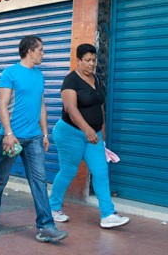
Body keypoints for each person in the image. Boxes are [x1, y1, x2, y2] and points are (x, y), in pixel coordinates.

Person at [0, 35, 68, 243]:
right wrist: (9, 134)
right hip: (12, 137)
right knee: (1, 179)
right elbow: (2, 105)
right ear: (29, 51)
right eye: (41, 50)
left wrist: (45, 133)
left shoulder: (39, 76)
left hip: (34, 137)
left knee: (38, 181)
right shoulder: (10, 73)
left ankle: (46, 226)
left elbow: (41, 106)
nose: (43, 54)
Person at [49, 43, 130, 228]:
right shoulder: (71, 81)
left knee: (101, 172)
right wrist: (87, 129)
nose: (92, 63)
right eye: (87, 60)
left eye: (94, 60)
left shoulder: (97, 79)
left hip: (93, 135)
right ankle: (52, 207)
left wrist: (101, 133)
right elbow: (70, 108)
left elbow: (99, 107)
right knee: (68, 170)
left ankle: (108, 214)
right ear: (78, 61)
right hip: (70, 133)